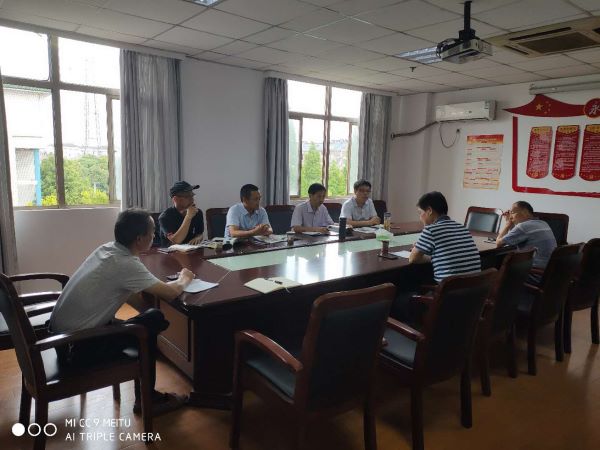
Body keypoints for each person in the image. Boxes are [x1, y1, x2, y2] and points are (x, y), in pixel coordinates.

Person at [49, 208, 195, 416]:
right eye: (152, 232)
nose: (154, 235)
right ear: (139, 239)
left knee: (150, 319)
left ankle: (148, 385)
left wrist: (146, 301)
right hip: (79, 348)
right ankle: (148, 400)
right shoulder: (125, 264)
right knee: (153, 321)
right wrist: (185, 278)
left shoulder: (107, 249)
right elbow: (171, 293)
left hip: (61, 340)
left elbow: (124, 290)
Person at [394, 191, 481, 324]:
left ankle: (413, 331)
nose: (420, 217)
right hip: (473, 295)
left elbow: (413, 259)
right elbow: (449, 253)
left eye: (420, 213)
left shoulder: (431, 229)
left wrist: (420, 248)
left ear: (429, 210)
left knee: (399, 299)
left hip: (449, 298)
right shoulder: (461, 227)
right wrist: (435, 255)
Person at [496, 200, 557, 284]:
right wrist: (511, 225)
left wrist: (507, 224)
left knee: (496, 271)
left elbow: (499, 243)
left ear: (525, 212)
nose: (510, 216)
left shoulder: (523, 227)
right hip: (549, 274)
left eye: (512, 212)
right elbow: (515, 237)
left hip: (534, 274)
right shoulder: (543, 223)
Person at [159, 181, 204, 245]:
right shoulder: (165, 217)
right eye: (187, 196)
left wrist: (198, 238)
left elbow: (199, 233)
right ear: (175, 199)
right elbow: (176, 241)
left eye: (192, 195)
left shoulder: (197, 212)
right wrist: (188, 217)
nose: (192, 199)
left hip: (191, 249)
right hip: (171, 250)